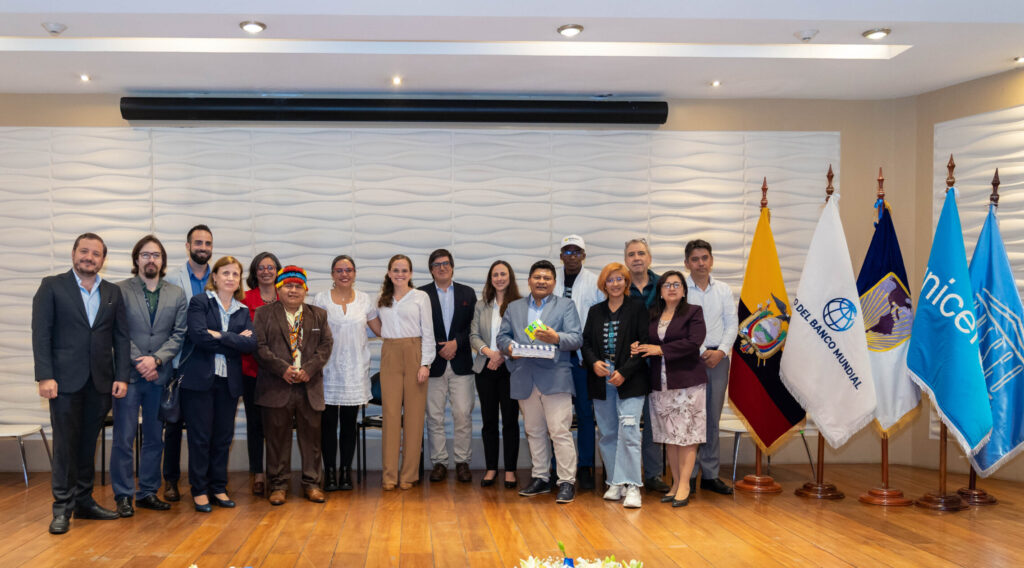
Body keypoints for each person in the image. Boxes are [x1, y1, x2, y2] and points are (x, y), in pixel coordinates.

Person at [32, 233, 131, 534]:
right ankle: (62, 507)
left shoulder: (113, 292)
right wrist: (44, 376)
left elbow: (121, 339)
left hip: (100, 382)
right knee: (65, 446)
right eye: (84, 251)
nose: (89, 257)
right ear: (74, 253)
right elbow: (41, 333)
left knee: (89, 445)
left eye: (96, 253)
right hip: (62, 382)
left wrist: (122, 376)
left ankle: (84, 502)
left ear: (104, 259)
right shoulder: (52, 286)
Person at [111, 235, 187, 517]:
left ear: (163, 260)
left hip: (160, 376)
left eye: (156, 255)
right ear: (136, 259)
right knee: (124, 437)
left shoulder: (176, 293)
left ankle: (147, 493)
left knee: (156, 437)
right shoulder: (119, 291)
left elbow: (178, 334)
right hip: (128, 376)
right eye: (145, 255)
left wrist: (155, 360)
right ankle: (122, 494)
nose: (151, 259)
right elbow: (118, 332)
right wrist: (140, 360)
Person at [497, 260, 583, 504]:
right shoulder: (513, 307)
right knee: (534, 431)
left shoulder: (566, 305)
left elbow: (576, 338)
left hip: (555, 376)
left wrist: (556, 337)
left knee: (559, 431)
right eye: (537, 277)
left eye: (547, 278)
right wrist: (509, 348)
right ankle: (541, 477)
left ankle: (566, 481)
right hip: (524, 375)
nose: (542, 281)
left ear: (554, 283)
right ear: (529, 280)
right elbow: (502, 336)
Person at [179, 255, 256, 512]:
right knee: (200, 438)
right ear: (215, 277)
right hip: (199, 381)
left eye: (235, 274)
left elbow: (250, 344)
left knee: (223, 438)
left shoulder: (242, 310)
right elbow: (199, 337)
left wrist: (220, 336)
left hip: (229, 383)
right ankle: (199, 490)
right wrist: (233, 339)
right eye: (225, 273)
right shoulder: (200, 302)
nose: (230, 278)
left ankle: (218, 487)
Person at [255, 266, 334, 505]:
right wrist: (283, 369)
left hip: (308, 387)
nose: (293, 290)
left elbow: (326, 345)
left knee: (312, 439)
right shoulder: (263, 313)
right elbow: (259, 347)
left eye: (298, 286)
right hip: (277, 385)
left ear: (305, 290)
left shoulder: (318, 314)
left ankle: (312, 484)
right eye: (288, 285)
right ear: (279, 289)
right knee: (277, 438)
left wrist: (308, 370)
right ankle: (278, 485)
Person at [633, 271, 706, 507]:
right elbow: (645, 339)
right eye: (667, 285)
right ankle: (675, 483)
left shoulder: (693, 312)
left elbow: (694, 342)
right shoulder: (653, 315)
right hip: (660, 384)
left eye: (677, 284)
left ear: (684, 290)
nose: (672, 288)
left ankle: (685, 484)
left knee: (687, 437)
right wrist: (638, 345)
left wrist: (661, 350)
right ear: (661, 291)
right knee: (670, 438)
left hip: (687, 384)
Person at [582, 263, 650, 509]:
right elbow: (586, 343)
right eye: (610, 280)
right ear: (604, 284)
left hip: (630, 379)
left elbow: (644, 344)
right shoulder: (595, 311)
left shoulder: (638, 308)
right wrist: (594, 363)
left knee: (630, 431)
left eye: (620, 279)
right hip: (602, 379)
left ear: (626, 282)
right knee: (608, 433)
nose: (615, 284)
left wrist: (624, 371)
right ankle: (615, 482)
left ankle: (633, 485)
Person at [313, 255, 381, 492]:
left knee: (349, 424)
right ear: (332, 274)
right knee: (328, 424)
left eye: (349, 270)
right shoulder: (321, 299)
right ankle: (329, 472)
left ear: (354, 273)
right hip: (328, 370)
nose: (344, 274)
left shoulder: (365, 300)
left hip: (355, 370)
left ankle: (345, 473)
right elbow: (313, 335)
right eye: (339, 270)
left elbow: (381, 329)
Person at [163, 223, 214, 502]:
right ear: (188, 246)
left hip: (208, 362)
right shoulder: (171, 279)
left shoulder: (218, 279)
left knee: (202, 428)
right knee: (172, 424)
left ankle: (202, 483)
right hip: (179, 361)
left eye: (207, 243)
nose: (203, 248)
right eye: (198, 243)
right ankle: (170, 481)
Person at [376, 254, 435, 490]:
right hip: (390, 352)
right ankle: (389, 475)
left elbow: (428, 332)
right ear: (389, 273)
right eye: (396, 270)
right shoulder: (382, 299)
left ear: (410, 274)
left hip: (414, 352)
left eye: (404, 270)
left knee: (414, 417)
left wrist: (425, 363)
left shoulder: (420, 297)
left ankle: (408, 475)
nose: (400, 274)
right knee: (390, 416)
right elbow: (375, 325)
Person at [684, 239, 737, 496]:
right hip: (690, 358)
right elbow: (680, 326)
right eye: (695, 259)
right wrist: (702, 349)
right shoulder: (681, 289)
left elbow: (732, 324)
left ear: (711, 260)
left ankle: (710, 475)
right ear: (687, 263)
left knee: (712, 418)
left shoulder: (724, 290)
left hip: (719, 359)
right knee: (690, 416)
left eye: (705, 258)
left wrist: (721, 351)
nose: (701, 263)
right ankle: (688, 475)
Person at [420, 249, 478, 484]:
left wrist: (457, 343)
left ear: (452, 267)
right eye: (436, 264)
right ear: (431, 269)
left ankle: (462, 461)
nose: (442, 267)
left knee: (462, 414)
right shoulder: (421, 294)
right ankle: (440, 462)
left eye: (445, 263)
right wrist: (437, 346)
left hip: (462, 362)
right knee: (434, 416)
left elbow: (473, 326)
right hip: (433, 364)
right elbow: (419, 327)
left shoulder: (467, 292)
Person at [553, 234, 603, 490]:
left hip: (583, 358)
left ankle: (585, 465)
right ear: (561, 255)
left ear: (584, 255)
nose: (571, 256)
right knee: (556, 415)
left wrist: (592, 355)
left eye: (576, 252)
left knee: (584, 413)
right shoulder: (551, 279)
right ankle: (556, 467)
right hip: (556, 358)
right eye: (567, 252)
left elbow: (596, 320)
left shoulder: (595, 282)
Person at [469, 260, 522, 489]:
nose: (499, 278)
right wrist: (489, 353)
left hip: (511, 369)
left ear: (509, 277)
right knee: (489, 421)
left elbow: (525, 335)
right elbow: (473, 335)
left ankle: (510, 470)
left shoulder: (521, 305)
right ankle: (491, 468)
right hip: (485, 368)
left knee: (510, 421)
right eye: (495, 275)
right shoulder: (482, 305)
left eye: (503, 274)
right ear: (490, 279)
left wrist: (502, 354)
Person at [624, 237, 669, 493]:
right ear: (626, 260)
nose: (637, 258)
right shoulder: (619, 284)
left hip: (657, 358)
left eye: (641, 253)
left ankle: (652, 474)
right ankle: (622, 473)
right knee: (626, 419)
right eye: (631, 254)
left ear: (649, 258)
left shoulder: (663, 285)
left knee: (653, 420)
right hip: (627, 360)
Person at [240, 251, 281, 496]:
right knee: (255, 424)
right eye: (261, 267)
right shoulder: (245, 299)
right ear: (255, 272)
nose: (266, 271)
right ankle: (258, 472)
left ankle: (277, 471)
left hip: (278, 372)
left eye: (271, 267)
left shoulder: (286, 297)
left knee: (276, 424)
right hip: (251, 370)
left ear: (277, 271)